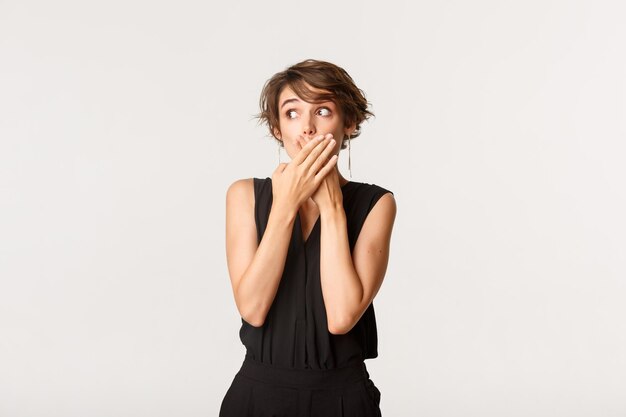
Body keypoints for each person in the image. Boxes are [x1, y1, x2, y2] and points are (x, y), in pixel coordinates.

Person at [219, 59, 397, 417]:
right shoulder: (244, 196)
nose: (308, 129)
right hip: (257, 395)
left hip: (344, 399)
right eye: (292, 113)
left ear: (349, 123)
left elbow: (342, 317)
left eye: (323, 111)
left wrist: (332, 209)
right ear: (276, 128)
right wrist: (284, 206)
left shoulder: (377, 203)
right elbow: (252, 309)